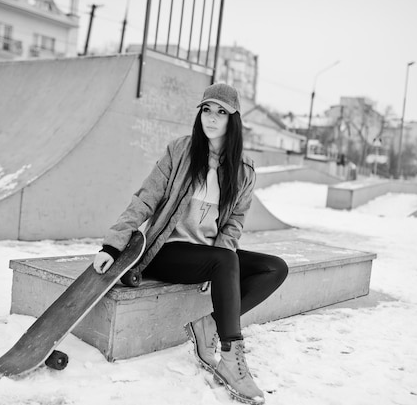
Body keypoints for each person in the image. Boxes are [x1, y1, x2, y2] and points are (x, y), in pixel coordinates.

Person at [93, 83, 288, 404]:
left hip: (209, 256)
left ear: (233, 119)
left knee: (274, 268)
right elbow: (145, 200)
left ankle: (208, 326)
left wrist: (218, 262)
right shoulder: (180, 152)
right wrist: (112, 246)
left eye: (221, 112)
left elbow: (235, 221)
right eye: (206, 110)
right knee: (226, 261)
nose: (211, 118)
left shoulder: (244, 169)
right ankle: (231, 358)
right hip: (165, 252)